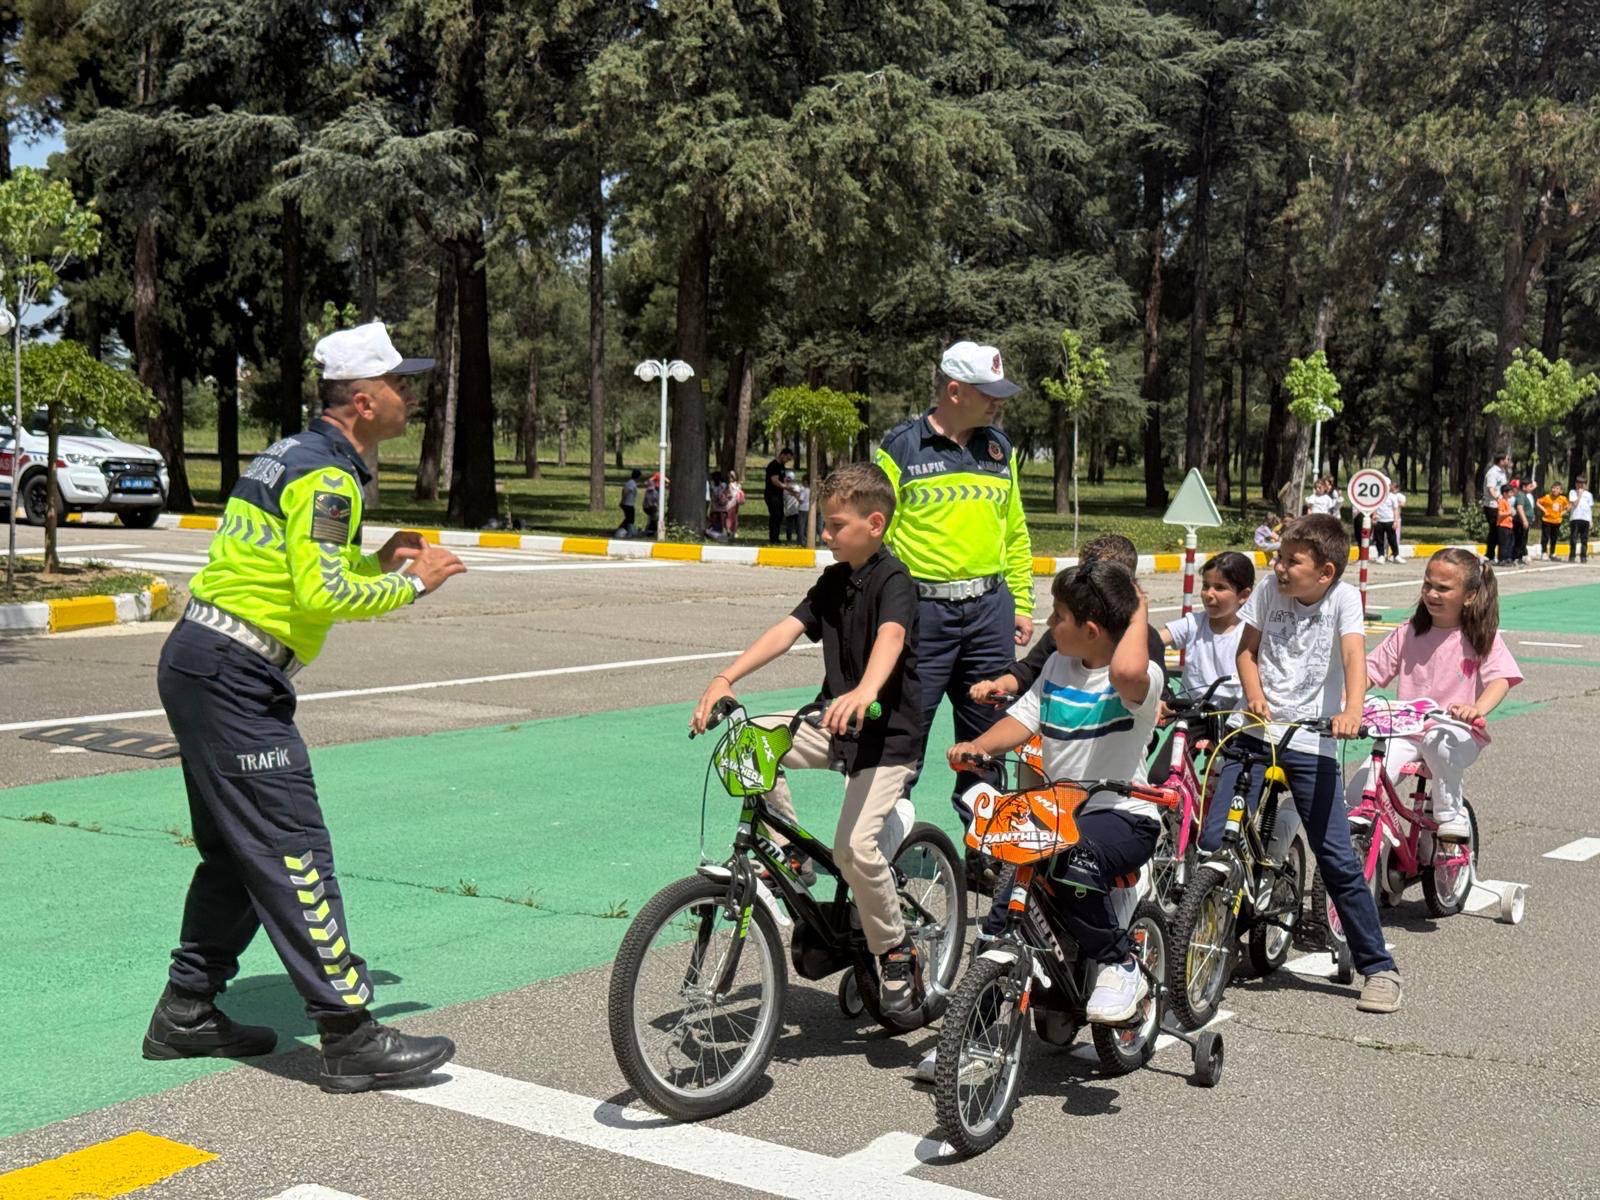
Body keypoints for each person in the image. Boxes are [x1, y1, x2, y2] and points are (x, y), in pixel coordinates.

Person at [143, 322, 468, 1092]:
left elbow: (296, 572)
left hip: (204, 661)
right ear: (363, 400)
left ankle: (187, 1009)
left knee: (236, 853)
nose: (410, 397)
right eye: (400, 385)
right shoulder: (329, 477)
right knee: (293, 849)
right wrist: (413, 583)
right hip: (233, 675)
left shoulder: (294, 454)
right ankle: (350, 1033)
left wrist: (372, 558)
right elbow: (323, 593)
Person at [689, 463, 926, 1013]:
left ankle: (895, 950)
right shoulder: (835, 580)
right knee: (749, 739)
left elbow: (891, 637)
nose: (824, 534)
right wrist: (726, 677)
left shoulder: (896, 582)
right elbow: (787, 629)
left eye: (834, 524)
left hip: (886, 739)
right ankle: (794, 851)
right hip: (834, 725)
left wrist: (866, 688)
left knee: (853, 849)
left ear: (874, 523)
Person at [948, 561, 1165, 1023]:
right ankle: (971, 1028)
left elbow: (1126, 669)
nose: (1050, 625)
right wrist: (979, 747)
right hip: (1056, 812)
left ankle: (1119, 963)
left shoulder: (1139, 678)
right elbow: (1023, 720)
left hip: (1123, 813)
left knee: (1073, 855)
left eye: (1058, 615)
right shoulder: (1056, 665)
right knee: (1004, 906)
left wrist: (1139, 607)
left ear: (1090, 629)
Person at [1215, 513, 1402, 1013]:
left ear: (1325, 572)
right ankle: (1210, 941)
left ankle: (1380, 969)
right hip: (1254, 731)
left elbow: (1354, 658)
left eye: (1290, 561)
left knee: (1337, 858)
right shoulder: (1268, 593)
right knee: (1216, 841)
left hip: (1312, 740)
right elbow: (1246, 653)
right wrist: (1253, 696)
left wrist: (1351, 711)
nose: (1278, 567)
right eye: (1278, 557)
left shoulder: (1342, 599)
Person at [875, 340, 1034, 832]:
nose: (997, 403)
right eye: (988, 393)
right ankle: (886, 851)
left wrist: (1023, 602)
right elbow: (877, 534)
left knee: (986, 742)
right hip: (923, 618)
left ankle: (983, 851)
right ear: (954, 390)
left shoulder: (998, 448)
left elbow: (1015, 530)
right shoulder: (901, 446)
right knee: (903, 739)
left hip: (989, 614)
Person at [1346, 549, 1521, 840]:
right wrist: (1346, 701)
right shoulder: (1408, 632)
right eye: (1428, 584)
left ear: (1470, 595)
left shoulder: (1480, 637)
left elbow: (1500, 679)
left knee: (1436, 743)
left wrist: (1477, 709)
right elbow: (1370, 673)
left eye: (1443, 588)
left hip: (1455, 730)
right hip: (1406, 730)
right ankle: (1381, 853)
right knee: (1358, 792)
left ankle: (1451, 812)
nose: (1431, 593)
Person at [1161, 551, 1253, 715]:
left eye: (1220, 588)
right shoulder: (1194, 624)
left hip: (1233, 720)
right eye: (1205, 586)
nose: (1209, 594)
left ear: (1243, 595)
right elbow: (1152, 641)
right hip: (1191, 715)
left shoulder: (1251, 632)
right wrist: (1161, 692)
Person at [763, 448, 795, 544]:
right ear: (783, 455)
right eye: (787, 458)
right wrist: (786, 487)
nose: (787, 461)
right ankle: (773, 538)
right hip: (772, 495)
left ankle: (776, 537)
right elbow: (775, 480)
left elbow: (782, 479)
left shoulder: (781, 466)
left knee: (780, 515)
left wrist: (789, 486)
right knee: (775, 515)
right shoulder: (774, 465)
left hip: (778, 494)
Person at [1482, 453, 1509, 563]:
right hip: (1492, 505)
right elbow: (1491, 489)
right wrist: (1499, 499)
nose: (1508, 461)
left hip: (1500, 505)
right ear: (1501, 461)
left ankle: (1498, 555)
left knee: (1499, 531)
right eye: (1507, 459)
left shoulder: (1502, 472)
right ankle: (1490, 555)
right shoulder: (1492, 473)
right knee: (1494, 530)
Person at [1537, 482, 1570, 561]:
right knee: (1545, 537)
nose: (1554, 490)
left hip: (1557, 521)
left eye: (1557, 488)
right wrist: (1544, 509)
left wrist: (1562, 513)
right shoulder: (1547, 497)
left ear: (1561, 491)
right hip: (1547, 520)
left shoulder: (1563, 499)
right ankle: (1544, 552)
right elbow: (1538, 502)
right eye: (1553, 488)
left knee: (1554, 537)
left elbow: (1568, 506)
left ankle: (1552, 553)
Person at [1371, 487, 1403, 564]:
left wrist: (1395, 521)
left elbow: (1396, 509)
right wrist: (1374, 516)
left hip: (1390, 520)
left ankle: (1396, 555)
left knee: (1392, 539)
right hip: (1379, 521)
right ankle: (1381, 555)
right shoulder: (1377, 496)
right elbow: (1374, 506)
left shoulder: (1392, 496)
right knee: (1379, 540)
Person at [1512, 478, 1538, 565]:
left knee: (1523, 540)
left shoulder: (1524, 494)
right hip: (1520, 522)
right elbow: (1519, 508)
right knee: (1519, 540)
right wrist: (1524, 520)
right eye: (1530, 486)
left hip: (1524, 521)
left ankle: (1520, 557)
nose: (1532, 488)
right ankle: (1516, 557)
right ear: (1524, 487)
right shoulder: (1521, 495)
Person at [1570, 475, 1593, 563]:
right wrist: (1579, 495)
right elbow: (1574, 504)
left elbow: (1589, 508)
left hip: (1585, 519)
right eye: (1578, 483)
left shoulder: (1589, 495)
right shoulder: (1572, 492)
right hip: (1575, 518)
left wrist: (1590, 520)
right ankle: (1572, 556)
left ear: (1585, 484)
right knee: (1573, 538)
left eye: (1582, 483)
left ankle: (1583, 556)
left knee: (1584, 539)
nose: (1580, 485)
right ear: (1575, 483)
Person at [1494, 487, 1515, 566]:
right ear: (1504, 493)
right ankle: (1501, 559)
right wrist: (1509, 512)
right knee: (1503, 544)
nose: (1511, 494)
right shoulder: (1502, 501)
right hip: (1503, 525)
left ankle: (1506, 558)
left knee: (1508, 543)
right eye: (1510, 492)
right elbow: (1500, 513)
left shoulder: (1507, 501)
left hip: (1508, 525)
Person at [618, 468, 641, 538]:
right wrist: (623, 499)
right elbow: (626, 491)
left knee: (628, 519)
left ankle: (621, 529)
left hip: (627, 503)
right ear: (637, 476)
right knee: (630, 519)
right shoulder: (632, 483)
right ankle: (629, 533)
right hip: (628, 504)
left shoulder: (629, 482)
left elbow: (623, 490)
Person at [782, 469, 802, 542]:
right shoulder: (796, 487)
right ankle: (796, 539)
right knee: (795, 526)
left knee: (791, 526)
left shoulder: (785, 488)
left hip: (791, 510)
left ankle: (790, 539)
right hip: (794, 509)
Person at [726, 471, 745, 538]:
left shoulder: (732, 485)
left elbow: (730, 494)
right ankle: (732, 531)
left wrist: (727, 495)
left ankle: (731, 531)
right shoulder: (737, 485)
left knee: (731, 518)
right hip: (735, 502)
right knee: (733, 517)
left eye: (731, 476)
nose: (730, 478)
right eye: (730, 476)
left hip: (733, 503)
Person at [642, 472, 661, 537]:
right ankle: (650, 532)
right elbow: (646, 482)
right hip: (651, 507)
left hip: (649, 507)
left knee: (651, 519)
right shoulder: (653, 489)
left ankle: (649, 531)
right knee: (654, 518)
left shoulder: (651, 487)